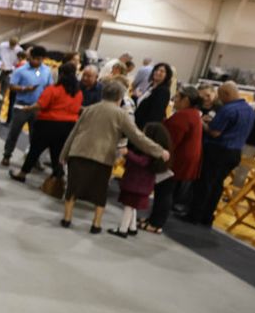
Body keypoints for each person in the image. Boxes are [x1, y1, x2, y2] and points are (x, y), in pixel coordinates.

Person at [60, 79, 169, 233]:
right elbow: (138, 137)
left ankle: (67, 219)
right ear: (120, 97)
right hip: (103, 157)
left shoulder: (89, 109)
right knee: (99, 192)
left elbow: (74, 132)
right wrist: (158, 150)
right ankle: (96, 224)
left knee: (73, 188)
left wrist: (64, 153)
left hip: (79, 152)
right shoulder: (121, 115)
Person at [185, 82, 255, 227]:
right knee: (217, 185)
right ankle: (207, 217)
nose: (219, 99)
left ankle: (194, 215)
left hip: (218, 151)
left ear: (227, 94)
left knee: (205, 183)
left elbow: (214, 132)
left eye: (220, 95)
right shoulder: (249, 110)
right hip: (235, 152)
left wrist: (200, 122)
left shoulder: (228, 109)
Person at [9, 61, 82, 184]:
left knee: (35, 150)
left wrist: (28, 108)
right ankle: (58, 179)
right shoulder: (78, 93)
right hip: (68, 126)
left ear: (61, 74)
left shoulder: (53, 89)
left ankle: (22, 173)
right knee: (58, 153)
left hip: (48, 124)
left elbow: (40, 105)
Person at [143, 86, 203, 232]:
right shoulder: (193, 114)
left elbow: (171, 140)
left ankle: (156, 223)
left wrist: (159, 155)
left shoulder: (184, 116)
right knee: (166, 190)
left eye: (177, 97)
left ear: (186, 100)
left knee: (164, 190)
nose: (174, 100)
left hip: (176, 160)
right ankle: (154, 219)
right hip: (183, 159)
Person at [109, 123, 171, 238]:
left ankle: (123, 229)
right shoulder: (157, 152)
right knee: (133, 206)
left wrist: (128, 153)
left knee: (129, 205)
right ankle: (132, 227)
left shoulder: (149, 152)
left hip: (136, 183)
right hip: (141, 184)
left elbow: (142, 161)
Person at [1, 45, 53, 166]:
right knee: (14, 132)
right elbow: (12, 86)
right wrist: (25, 89)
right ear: (31, 57)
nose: (38, 62)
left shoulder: (46, 70)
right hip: (22, 106)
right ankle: (7, 155)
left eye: (41, 59)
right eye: (36, 59)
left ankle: (34, 159)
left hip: (37, 107)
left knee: (35, 136)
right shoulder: (21, 70)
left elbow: (49, 87)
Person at [0, 36, 22, 122]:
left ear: (16, 44)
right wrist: (0, 64)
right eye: (11, 45)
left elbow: (17, 64)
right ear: (8, 42)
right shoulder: (2, 45)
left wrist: (10, 68)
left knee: (2, 94)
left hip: (8, 73)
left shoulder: (19, 50)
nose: (12, 47)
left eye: (14, 45)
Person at [133, 63, 173, 128]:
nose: (158, 72)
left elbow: (155, 114)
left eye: (162, 71)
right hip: (137, 123)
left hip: (144, 127)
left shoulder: (163, 91)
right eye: (156, 70)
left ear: (167, 76)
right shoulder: (151, 86)